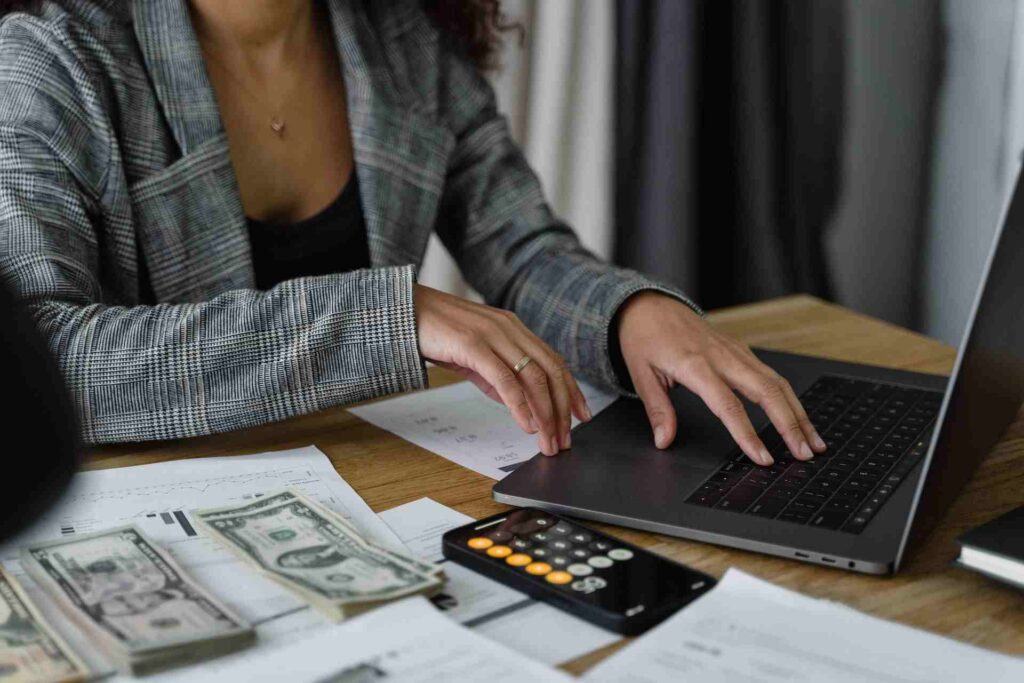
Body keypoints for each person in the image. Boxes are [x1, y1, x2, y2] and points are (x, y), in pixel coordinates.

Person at [0, 0, 825, 467]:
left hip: (367, 484)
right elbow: (44, 361)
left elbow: (523, 250)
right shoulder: (53, 55)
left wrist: (631, 312)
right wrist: (387, 317)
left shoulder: (404, 41)